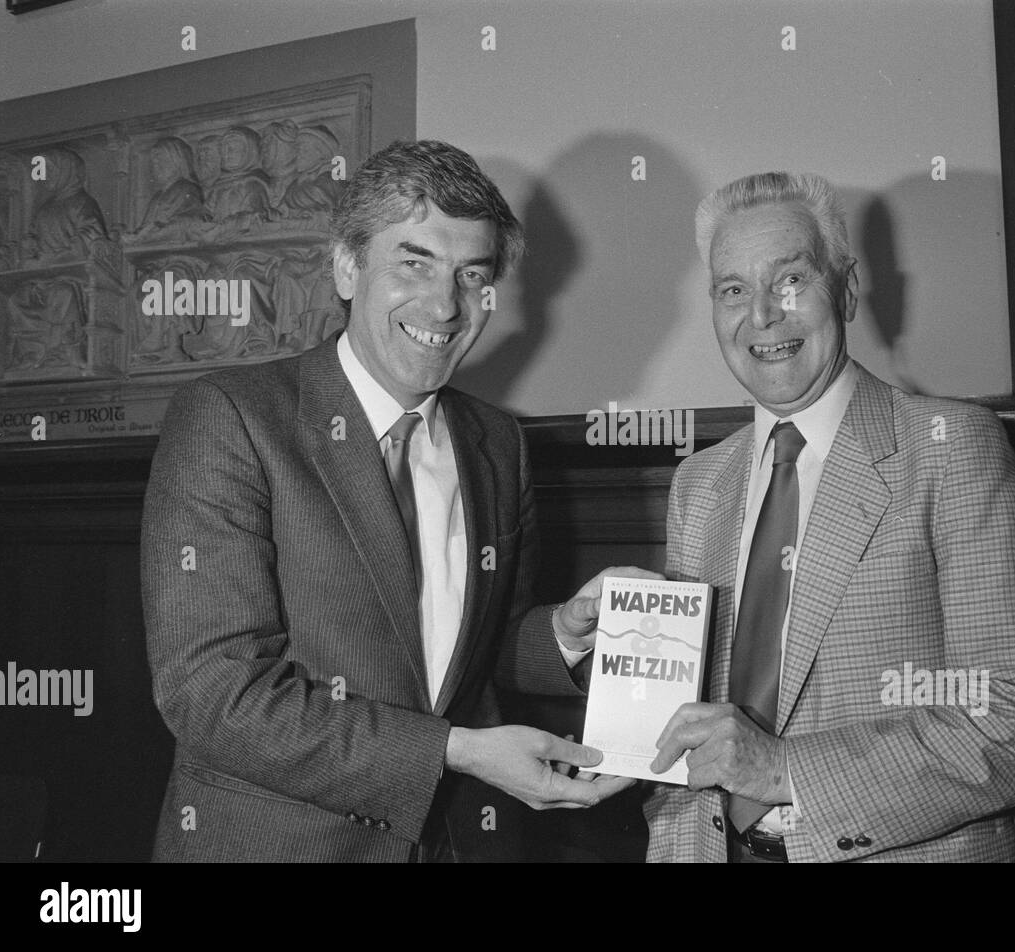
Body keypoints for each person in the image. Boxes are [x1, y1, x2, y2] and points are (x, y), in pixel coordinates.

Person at [142, 139, 642, 862]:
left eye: (472, 275)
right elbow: (213, 695)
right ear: (347, 268)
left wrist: (566, 630)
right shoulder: (231, 418)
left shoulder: (497, 443)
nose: (444, 305)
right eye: (414, 263)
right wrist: (456, 751)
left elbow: (471, 657)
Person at [645, 171, 1015, 862]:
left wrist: (786, 770)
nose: (761, 315)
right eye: (733, 289)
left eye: (790, 280)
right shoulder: (698, 483)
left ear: (846, 289)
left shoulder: (950, 448)